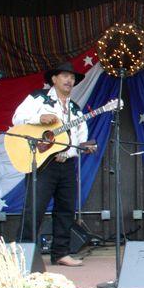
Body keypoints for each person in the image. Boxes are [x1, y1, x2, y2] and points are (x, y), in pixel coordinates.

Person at [13, 62, 96, 267]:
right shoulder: (39, 98)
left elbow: (80, 138)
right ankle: (23, 254)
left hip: (66, 164)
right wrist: (39, 118)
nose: (70, 80)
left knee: (66, 209)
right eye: (65, 76)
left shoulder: (75, 109)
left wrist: (85, 147)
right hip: (44, 163)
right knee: (34, 209)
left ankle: (61, 253)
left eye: (72, 77)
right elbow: (17, 118)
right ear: (54, 79)